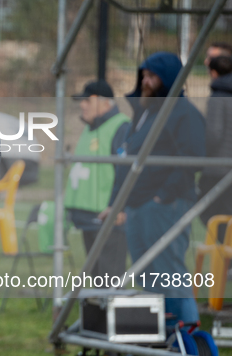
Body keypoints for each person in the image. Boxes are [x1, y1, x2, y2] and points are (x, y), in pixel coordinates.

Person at [100, 52, 206, 325]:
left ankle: (187, 337)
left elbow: (191, 159)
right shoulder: (143, 112)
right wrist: (117, 202)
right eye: (143, 75)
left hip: (165, 206)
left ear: (169, 78)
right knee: (145, 273)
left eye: (152, 76)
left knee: (168, 270)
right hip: (136, 206)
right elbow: (127, 158)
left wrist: (162, 197)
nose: (145, 82)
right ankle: (158, 334)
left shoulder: (185, 114)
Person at [65, 80, 129, 282]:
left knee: (110, 277)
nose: (82, 105)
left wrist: (118, 206)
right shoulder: (90, 128)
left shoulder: (120, 127)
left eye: (87, 100)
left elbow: (126, 171)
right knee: (95, 277)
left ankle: (112, 314)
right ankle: (97, 314)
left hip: (108, 216)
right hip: (87, 216)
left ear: (104, 102)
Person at [198, 55, 232, 243]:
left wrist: (203, 155)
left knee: (208, 211)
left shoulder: (218, 97)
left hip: (217, 168)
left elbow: (213, 134)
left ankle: (227, 262)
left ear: (213, 73)